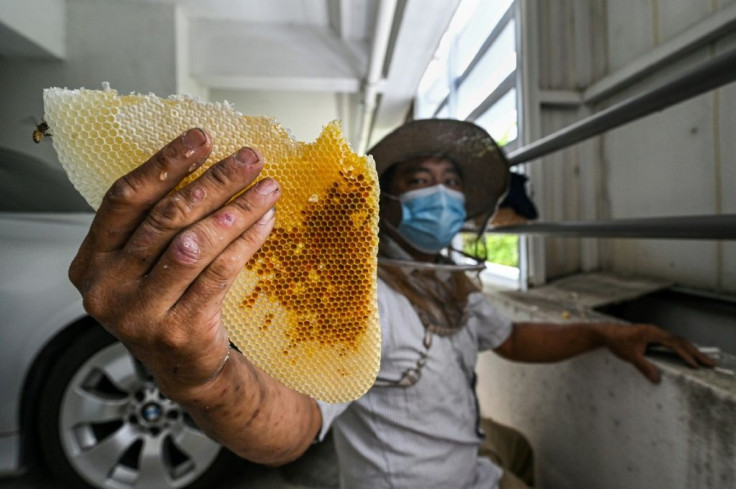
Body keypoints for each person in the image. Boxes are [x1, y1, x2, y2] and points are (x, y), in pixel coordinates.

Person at [68, 120, 714, 489]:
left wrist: (604, 335)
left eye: (452, 182)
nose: (442, 195)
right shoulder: (358, 297)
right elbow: (291, 425)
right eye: (419, 180)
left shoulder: (450, 282)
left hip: (472, 470)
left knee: (512, 451)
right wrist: (203, 375)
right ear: (386, 202)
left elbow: (512, 339)